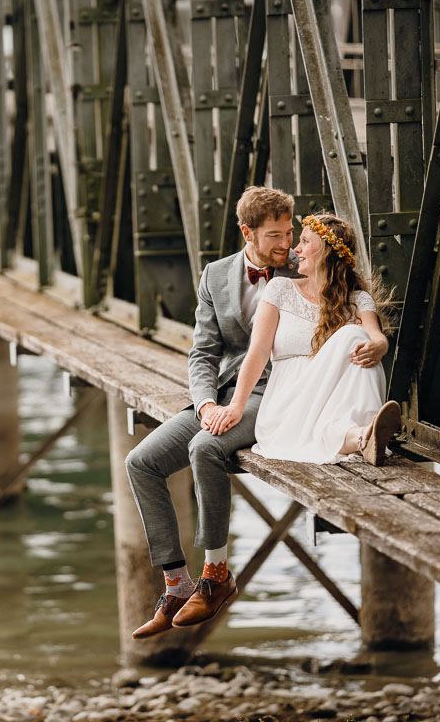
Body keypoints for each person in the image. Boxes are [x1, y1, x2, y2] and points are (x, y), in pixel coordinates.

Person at [125, 186, 298, 640]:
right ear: (248, 232)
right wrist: (205, 403)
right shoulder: (215, 275)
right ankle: (177, 584)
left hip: (277, 393)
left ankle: (216, 575)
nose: (287, 243)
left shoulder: (307, 269)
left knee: (205, 447)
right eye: (275, 235)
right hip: (221, 394)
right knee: (141, 462)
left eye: (290, 231)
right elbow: (203, 353)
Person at [201, 212, 400, 467]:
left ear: (327, 250)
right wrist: (236, 407)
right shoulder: (280, 289)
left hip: (331, 403)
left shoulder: (357, 299)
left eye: (305, 241)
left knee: (359, 339)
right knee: (352, 334)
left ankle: (363, 436)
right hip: (287, 406)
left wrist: (380, 345)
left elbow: (375, 335)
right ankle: (365, 433)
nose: (296, 249)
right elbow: (258, 352)